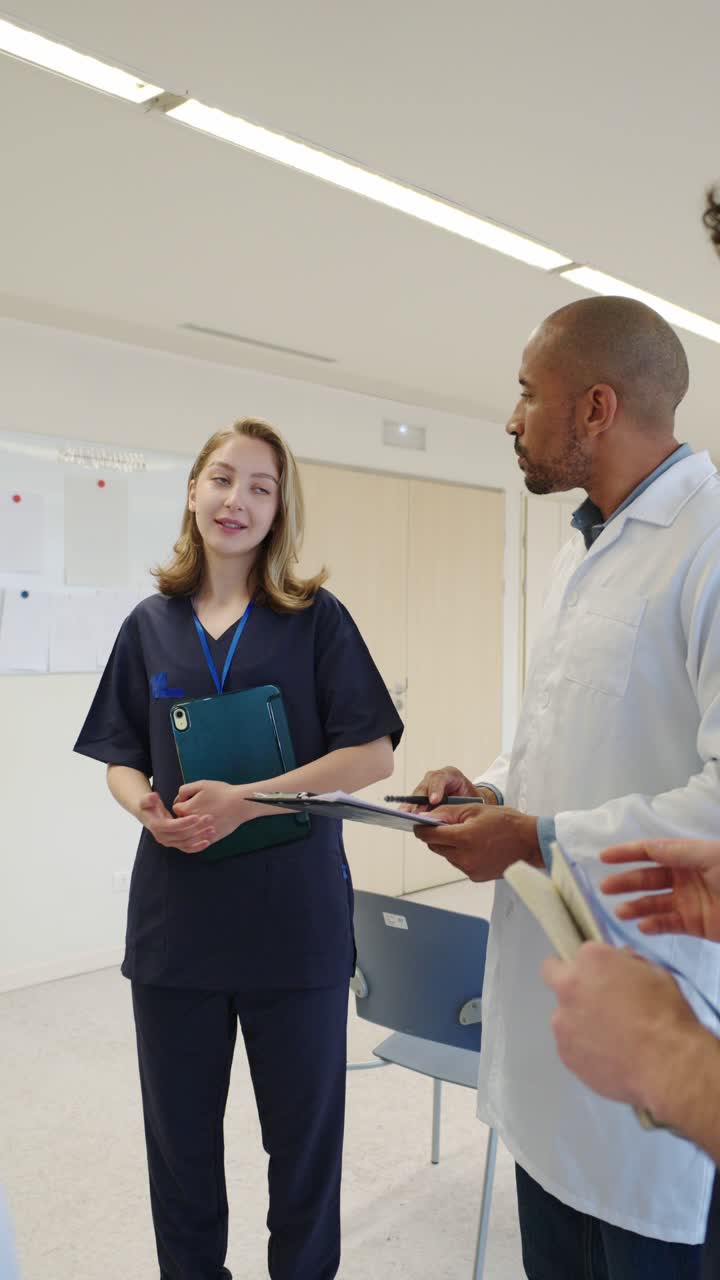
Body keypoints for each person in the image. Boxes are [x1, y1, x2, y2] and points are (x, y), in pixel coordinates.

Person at [409, 296, 720, 1278]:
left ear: (594, 406)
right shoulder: (578, 545)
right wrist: (485, 787)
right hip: (553, 1038)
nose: (510, 419)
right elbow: (556, 731)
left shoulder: (709, 542)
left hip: (660, 1047)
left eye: (524, 394)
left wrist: (535, 835)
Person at [74, 417, 403, 1280]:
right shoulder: (150, 625)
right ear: (193, 490)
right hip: (176, 931)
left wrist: (249, 800)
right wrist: (143, 805)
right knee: (180, 1155)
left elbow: (372, 753)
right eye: (223, 479)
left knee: (302, 1154)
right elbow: (119, 753)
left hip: (293, 930)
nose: (238, 500)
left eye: (261, 487)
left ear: (278, 509)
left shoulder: (315, 620)